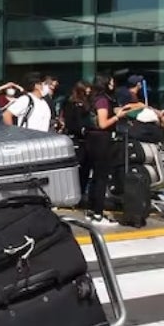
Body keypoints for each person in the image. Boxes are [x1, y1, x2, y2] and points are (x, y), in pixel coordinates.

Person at [84, 74, 132, 225]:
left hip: (92, 140)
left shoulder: (93, 99)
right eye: (111, 81)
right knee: (101, 177)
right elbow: (103, 123)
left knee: (95, 177)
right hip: (102, 140)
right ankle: (98, 213)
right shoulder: (103, 100)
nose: (113, 84)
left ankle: (91, 210)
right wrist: (118, 117)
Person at [61, 81, 93, 203]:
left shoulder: (87, 103)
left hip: (86, 139)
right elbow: (71, 122)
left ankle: (81, 192)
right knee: (77, 168)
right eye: (87, 88)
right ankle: (73, 194)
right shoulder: (71, 103)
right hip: (76, 138)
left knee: (86, 168)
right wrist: (81, 129)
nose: (89, 90)